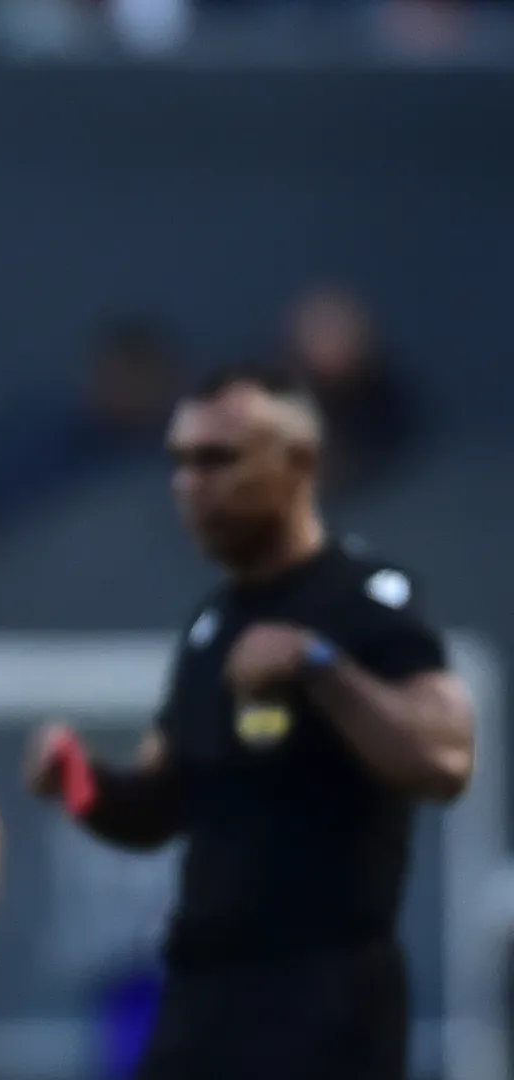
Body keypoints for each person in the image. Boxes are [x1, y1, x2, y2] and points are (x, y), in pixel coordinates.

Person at [24, 363, 475, 1080]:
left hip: (323, 1001)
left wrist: (320, 666)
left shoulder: (363, 602)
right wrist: (80, 783)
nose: (188, 485)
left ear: (300, 462)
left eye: (217, 459)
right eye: (178, 462)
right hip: (203, 995)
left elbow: (446, 760)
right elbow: (160, 806)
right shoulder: (213, 623)